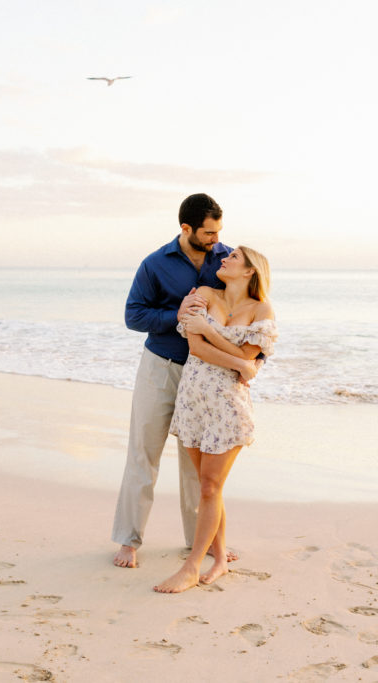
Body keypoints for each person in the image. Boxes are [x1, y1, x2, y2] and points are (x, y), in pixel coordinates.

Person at [111, 193, 255, 569]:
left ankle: (201, 540)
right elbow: (133, 316)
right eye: (208, 233)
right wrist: (175, 316)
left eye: (218, 231)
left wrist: (250, 362)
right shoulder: (155, 264)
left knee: (200, 463)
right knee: (143, 454)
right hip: (161, 366)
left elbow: (249, 311)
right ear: (186, 228)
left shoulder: (226, 261)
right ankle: (128, 541)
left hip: (208, 375)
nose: (216, 240)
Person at [153, 245, 276, 593]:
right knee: (209, 487)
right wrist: (240, 364)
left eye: (234, 257)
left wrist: (211, 333)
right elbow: (198, 348)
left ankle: (193, 565)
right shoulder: (205, 294)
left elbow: (247, 351)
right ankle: (220, 558)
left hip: (228, 403)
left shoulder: (261, 309)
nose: (224, 259)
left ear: (250, 271)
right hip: (193, 398)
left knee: (209, 486)